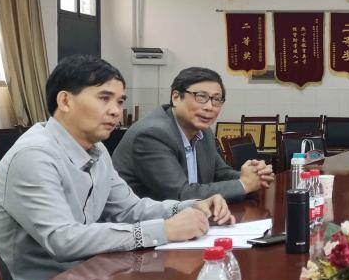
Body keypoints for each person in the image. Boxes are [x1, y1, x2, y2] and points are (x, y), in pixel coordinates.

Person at [0, 55, 233, 280]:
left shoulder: (97, 149)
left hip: (86, 279)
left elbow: (129, 209)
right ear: (65, 101)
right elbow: (63, 239)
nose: (116, 111)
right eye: (104, 98)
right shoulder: (34, 155)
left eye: (120, 101)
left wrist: (190, 207)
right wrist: (164, 230)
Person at [113, 67, 273, 201]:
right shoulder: (152, 134)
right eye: (201, 97)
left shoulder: (203, 131)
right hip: (145, 224)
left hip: (190, 218)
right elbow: (181, 195)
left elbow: (220, 173)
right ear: (176, 97)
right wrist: (243, 185)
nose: (210, 107)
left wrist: (255, 176)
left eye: (217, 99)